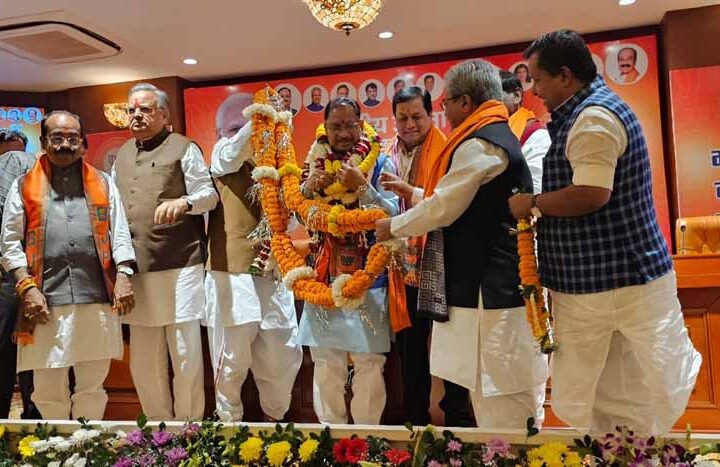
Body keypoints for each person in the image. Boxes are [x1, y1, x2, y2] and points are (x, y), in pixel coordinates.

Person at [509, 29, 701, 435]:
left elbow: (592, 194)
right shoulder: (587, 110)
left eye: (538, 79)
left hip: (617, 283)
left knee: (630, 390)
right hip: (604, 285)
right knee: (612, 392)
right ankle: (619, 454)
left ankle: (636, 454)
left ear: (565, 75)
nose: (534, 91)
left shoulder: (593, 119)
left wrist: (532, 203)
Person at [376, 59, 547, 429]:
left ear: (466, 102)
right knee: (490, 392)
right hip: (488, 286)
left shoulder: (481, 142)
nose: (446, 111)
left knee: (500, 396)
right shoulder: (489, 135)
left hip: (491, 288)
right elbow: (454, 198)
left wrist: (394, 226)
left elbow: (444, 206)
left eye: (446, 103)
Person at [1, 111, 136, 420]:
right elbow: (9, 242)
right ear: (43, 142)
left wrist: (124, 274)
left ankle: (88, 444)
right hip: (43, 299)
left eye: (73, 138)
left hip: (96, 295)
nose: (65, 144)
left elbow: (120, 232)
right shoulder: (23, 185)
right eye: (57, 138)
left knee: (92, 385)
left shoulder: (103, 182)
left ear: (83, 143)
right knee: (48, 387)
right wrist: (27, 288)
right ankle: (56, 446)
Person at [113, 83, 219, 421]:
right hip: (137, 267)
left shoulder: (184, 147)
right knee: (144, 359)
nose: (137, 116)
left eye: (145, 109)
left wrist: (184, 202)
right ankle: (158, 430)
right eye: (131, 110)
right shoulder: (123, 154)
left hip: (180, 265)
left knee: (184, 352)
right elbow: (115, 212)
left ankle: (189, 428)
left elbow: (209, 196)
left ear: (163, 113)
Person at [296, 97, 399, 425]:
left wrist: (363, 187)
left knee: (369, 361)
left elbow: (395, 214)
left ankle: (366, 439)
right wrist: (309, 190)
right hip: (324, 275)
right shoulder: (314, 162)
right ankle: (331, 436)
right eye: (335, 126)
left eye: (349, 125)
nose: (343, 133)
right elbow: (298, 214)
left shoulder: (380, 161)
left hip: (369, 277)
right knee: (326, 361)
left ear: (361, 123)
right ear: (325, 127)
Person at [379, 86, 475, 427]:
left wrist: (412, 193)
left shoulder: (448, 151)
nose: (410, 124)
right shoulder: (386, 153)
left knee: (450, 347)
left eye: (417, 116)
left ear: (431, 115)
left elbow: (449, 204)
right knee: (411, 350)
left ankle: (459, 424)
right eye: (402, 118)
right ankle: (415, 422)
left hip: (440, 263)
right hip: (401, 267)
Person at [205, 92, 302, 422]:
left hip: (273, 272)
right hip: (232, 274)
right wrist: (262, 117)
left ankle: (276, 428)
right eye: (237, 126)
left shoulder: (279, 164)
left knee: (282, 355)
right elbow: (234, 152)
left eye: (256, 123)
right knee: (232, 359)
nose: (249, 132)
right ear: (220, 133)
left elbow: (292, 219)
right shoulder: (222, 153)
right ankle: (229, 431)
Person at [0, 130, 40, 420]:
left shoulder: (20, 167)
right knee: (34, 357)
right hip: (36, 276)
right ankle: (38, 427)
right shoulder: (38, 172)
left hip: (12, 279)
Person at [500, 70, 551, 194]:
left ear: (517, 96)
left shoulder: (535, 134)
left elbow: (535, 189)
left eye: (494, 97)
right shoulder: (487, 132)